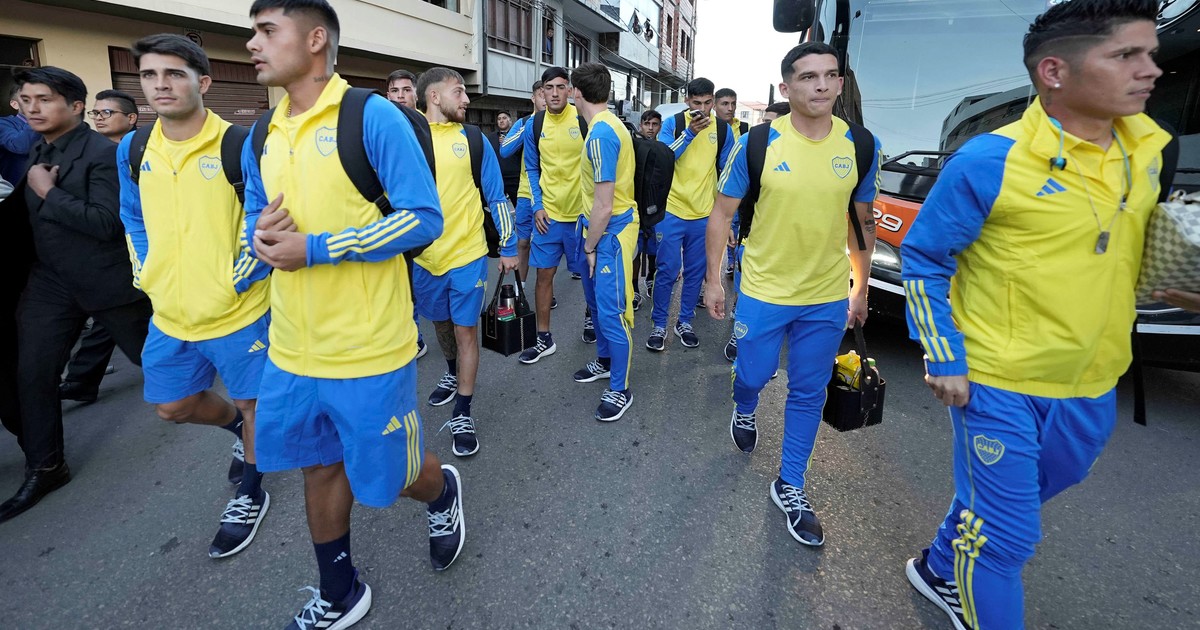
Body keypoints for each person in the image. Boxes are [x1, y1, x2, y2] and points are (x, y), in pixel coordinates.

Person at [898, 2, 1171, 628]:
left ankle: (939, 564)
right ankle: (963, 574)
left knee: (1022, 497)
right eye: (1126, 55)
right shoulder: (989, 161)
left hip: (1094, 378)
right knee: (1005, 540)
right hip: (998, 381)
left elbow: (1138, 256)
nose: (1150, 70)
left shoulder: (1150, 152)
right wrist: (944, 354)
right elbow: (924, 258)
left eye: (1150, 54)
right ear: (1054, 71)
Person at [243, 2, 464, 627]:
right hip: (292, 347)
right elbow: (255, 220)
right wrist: (257, 241)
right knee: (319, 465)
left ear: (316, 39)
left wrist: (314, 249)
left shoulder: (371, 116)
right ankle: (339, 591)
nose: (252, 43)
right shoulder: (262, 133)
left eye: (267, 31)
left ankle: (442, 491)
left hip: (370, 347)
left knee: (394, 476)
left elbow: (423, 218)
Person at [705, 42, 880, 547]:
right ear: (786, 86)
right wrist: (714, 279)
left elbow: (862, 222)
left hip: (826, 294)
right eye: (807, 77)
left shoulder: (861, 145)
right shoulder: (757, 143)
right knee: (754, 374)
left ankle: (791, 485)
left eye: (830, 75)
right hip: (764, 289)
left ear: (841, 83)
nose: (821, 85)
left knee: (808, 390)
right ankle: (744, 404)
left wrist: (860, 286)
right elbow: (721, 213)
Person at [120, 33, 274, 558]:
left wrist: (236, 279)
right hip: (169, 312)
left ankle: (251, 491)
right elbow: (132, 217)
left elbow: (262, 220)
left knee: (254, 406)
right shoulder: (133, 147)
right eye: (149, 75)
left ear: (203, 82)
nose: (160, 85)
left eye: (174, 74)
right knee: (173, 406)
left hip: (238, 312)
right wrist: (147, 272)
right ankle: (236, 431)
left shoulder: (240, 144)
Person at [0, 67, 153, 523]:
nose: (32, 108)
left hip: (107, 284)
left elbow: (107, 224)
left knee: (168, 372)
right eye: (26, 99)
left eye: (44, 99)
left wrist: (48, 192)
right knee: (33, 374)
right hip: (50, 285)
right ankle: (47, 467)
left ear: (75, 106)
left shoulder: (103, 154)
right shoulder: (37, 147)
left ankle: (242, 422)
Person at [414, 66, 517, 456]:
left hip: (468, 255)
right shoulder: (407, 138)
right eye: (458, 91)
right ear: (434, 97)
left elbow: (496, 196)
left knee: (466, 332)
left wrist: (508, 246)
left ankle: (462, 410)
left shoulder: (473, 139)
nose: (467, 99)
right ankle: (452, 371)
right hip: (424, 259)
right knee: (441, 326)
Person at [61, 88, 142, 404]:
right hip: (109, 246)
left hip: (143, 241)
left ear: (130, 118)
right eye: (96, 113)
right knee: (115, 312)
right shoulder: (90, 152)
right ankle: (82, 379)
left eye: (107, 112)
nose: (99, 118)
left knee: (123, 312)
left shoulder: (145, 148)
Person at [569, 62, 639, 422]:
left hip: (609, 234)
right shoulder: (608, 125)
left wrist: (590, 246)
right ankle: (606, 360)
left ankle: (620, 388)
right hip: (598, 230)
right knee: (597, 307)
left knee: (612, 313)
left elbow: (605, 203)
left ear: (575, 93)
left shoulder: (600, 134)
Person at [649, 77, 732, 351]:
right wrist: (689, 134)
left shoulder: (723, 129)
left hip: (704, 214)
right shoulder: (673, 123)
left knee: (696, 273)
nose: (703, 109)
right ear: (687, 101)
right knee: (667, 270)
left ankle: (684, 321)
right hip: (672, 210)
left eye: (708, 103)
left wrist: (730, 219)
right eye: (697, 103)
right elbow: (662, 158)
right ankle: (659, 324)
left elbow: (728, 175)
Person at [520, 67, 586, 364]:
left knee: (589, 278)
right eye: (550, 88)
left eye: (561, 87)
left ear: (570, 90)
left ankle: (591, 319)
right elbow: (532, 168)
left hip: (581, 218)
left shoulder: (583, 119)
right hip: (549, 217)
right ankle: (543, 338)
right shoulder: (534, 124)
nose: (555, 93)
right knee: (543, 277)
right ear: (542, 92)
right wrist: (537, 206)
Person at [499, 80, 546, 284]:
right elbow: (505, 150)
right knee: (523, 242)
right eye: (541, 94)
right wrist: (530, 124)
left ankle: (545, 291)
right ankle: (521, 290)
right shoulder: (525, 122)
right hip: (527, 191)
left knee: (545, 246)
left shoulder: (561, 122)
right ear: (533, 98)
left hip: (552, 193)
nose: (546, 98)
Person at [632, 109, 663, 311]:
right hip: (635, 205)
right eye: (647, 124)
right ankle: (634, 288)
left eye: (654, 124)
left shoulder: (664, 149)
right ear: (640, 125)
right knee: (634, 250)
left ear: (660, 127)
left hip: (656, 207)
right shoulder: (632, 147)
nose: (650, 128)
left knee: (654, 247)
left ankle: (651, 277)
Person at [1, 85, 41, 185]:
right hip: (17, 188)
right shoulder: (3, 123)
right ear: (15, 104)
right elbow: (20, 146)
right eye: (27, 99)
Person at [488, 110, 520, 207]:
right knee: (499, 206)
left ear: (510, 121)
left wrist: (508, 143)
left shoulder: (516, 135)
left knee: (519, 207)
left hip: (514, 178)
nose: (501, 121)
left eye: (504, 118)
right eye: (499, 119)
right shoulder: (491, 137)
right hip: (498, 178)